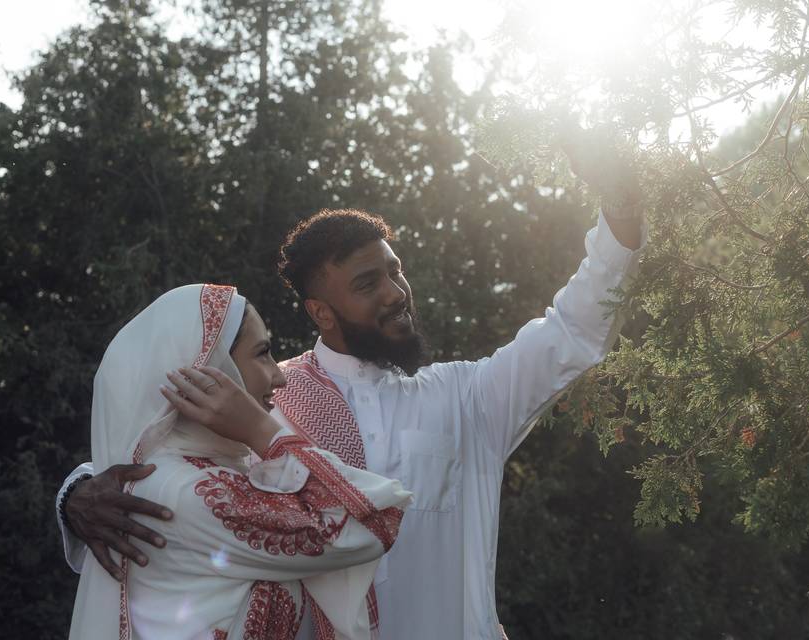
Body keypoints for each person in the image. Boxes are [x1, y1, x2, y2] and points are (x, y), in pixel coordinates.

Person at [58, 134, 646, 638]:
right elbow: (162, 448)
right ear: (321, 312)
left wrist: (618, 217)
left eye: (395, 271)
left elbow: (571, 332)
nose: (395, 291)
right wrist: (78, 494)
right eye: (368, 282)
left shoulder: (467, 398)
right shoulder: (266, 398)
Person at [67, 283, 412, 639]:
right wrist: (262, 430)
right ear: (210, 369)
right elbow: (373, 522)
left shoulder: (201, 472)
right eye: (262, 353)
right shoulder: (186, 491)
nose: (279, 376)